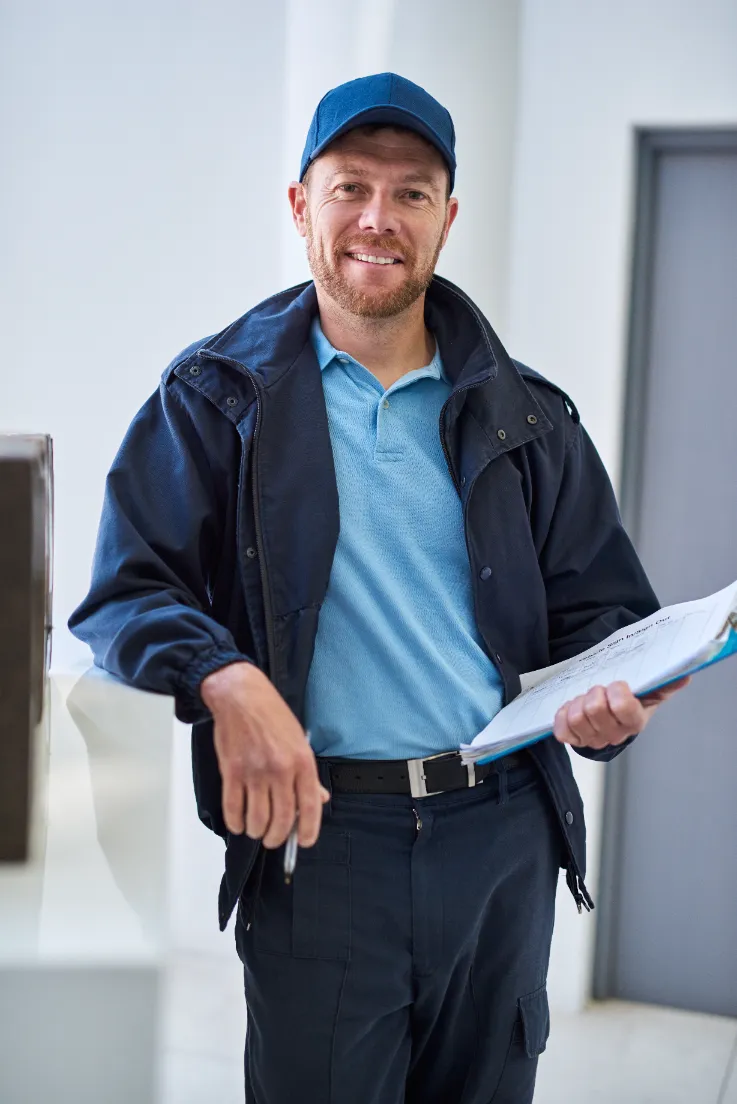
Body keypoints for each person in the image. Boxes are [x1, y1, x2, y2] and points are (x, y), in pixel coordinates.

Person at [69, 73, 688, 1103]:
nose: (376, 219)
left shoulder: (527, 416)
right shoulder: (215, 401)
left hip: (502, 838)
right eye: (350, 186)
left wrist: (611, 708)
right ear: (300, 204)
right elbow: (124, 596)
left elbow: (607, 619)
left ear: (446, 218)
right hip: (322, 844)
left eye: (409, 194)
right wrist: (226, 677)